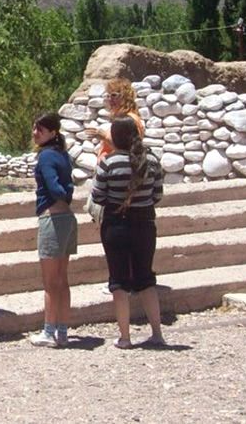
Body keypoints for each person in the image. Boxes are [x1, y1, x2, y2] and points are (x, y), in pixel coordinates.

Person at [91, 116, 165, 349]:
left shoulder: (109, 163)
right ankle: (157, 333)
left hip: (116, 224)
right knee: (146, 278)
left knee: (119, 281)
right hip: (145, 223)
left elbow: (98, 196)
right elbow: (157, 195)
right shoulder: (152, 160)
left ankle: (125, 337)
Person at [28, 112, 78, 348]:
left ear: (52, 133)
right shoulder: (63, 155)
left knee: (50, 281)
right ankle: (63, 330)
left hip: (52, 218)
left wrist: (59, 197)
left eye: (40, 129)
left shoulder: (46, 156)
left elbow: (54, 186)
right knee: (62, 279)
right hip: (67, 218)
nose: (35, 133)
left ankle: (49, 331)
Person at [85, 77, 145, 162]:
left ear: (125, 96)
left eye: (114, 95)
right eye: (108, 96)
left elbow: (129, 150)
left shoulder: (130, 120)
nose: (110, 100)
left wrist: (105, 137)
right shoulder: (121, 118)